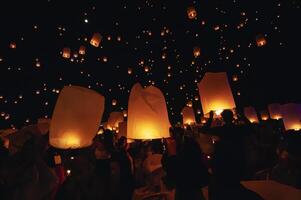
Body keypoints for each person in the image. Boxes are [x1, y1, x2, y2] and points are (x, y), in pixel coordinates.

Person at [204, 110, 263, 200]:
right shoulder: (239, 128)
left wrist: (211, 118)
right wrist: (243, 116)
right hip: (238, 157)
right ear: (232, 117)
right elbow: (251, 128)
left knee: (230, 182)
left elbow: (205, 130)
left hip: (226, 159)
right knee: (235, 180)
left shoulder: (222, 130)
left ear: (223, 118)